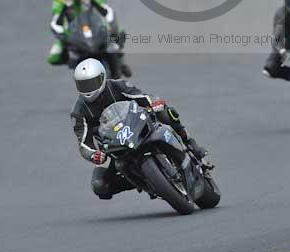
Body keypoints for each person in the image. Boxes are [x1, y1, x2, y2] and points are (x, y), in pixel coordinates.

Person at [71, 58, 206, 200]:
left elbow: (142, 96)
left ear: (102, 77)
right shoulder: (79, 112)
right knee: (99, 185)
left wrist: (154, 103)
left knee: (165, 112)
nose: (88, 89)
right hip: (114, 147)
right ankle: (142, 181)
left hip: (138, 125)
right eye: (83, 85)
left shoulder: (117, 85)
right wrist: (94, 154)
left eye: (92, 83)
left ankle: (189, 141)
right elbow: (83, 143)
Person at [48, 0, 131, 77]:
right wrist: (62, 34)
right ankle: (75, 66)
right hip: (72, 32)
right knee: (54, 57)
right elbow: (56, 19)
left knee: (118, 34)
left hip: (93, 27)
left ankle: (120, 61)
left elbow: (105, 9)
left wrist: (111, 25)